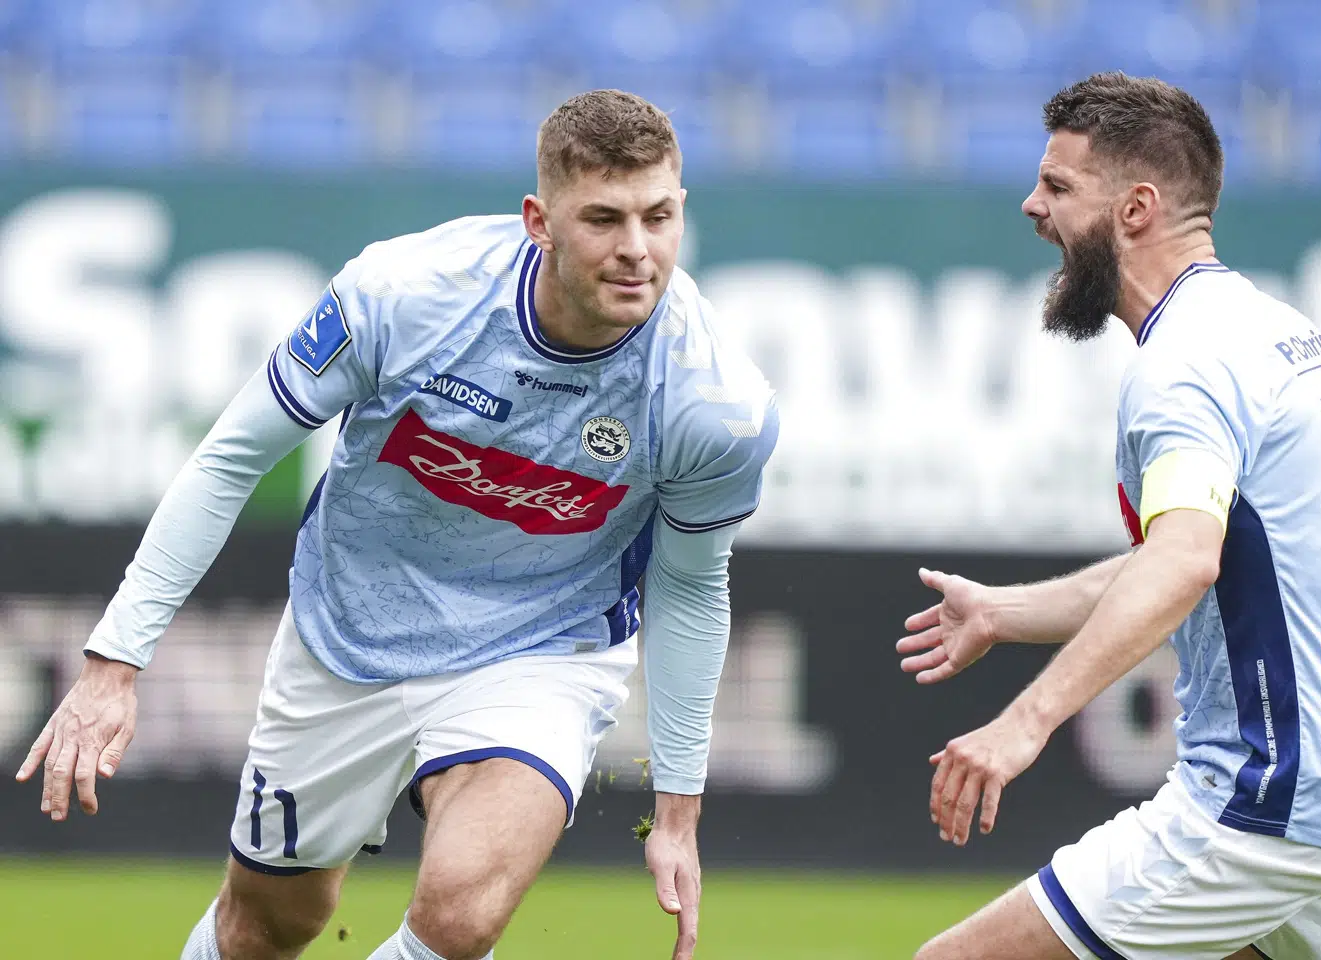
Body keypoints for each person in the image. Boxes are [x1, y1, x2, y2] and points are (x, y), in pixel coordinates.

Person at [16, 89, 779, 960]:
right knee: (267, 926)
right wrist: (115, 661)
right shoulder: (405, 294)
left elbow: (687, 587)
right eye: (603, 219)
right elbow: (230, 458)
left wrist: (677, 811)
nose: (636, 250)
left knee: (459, 917)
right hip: (348, 633)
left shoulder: (717, 404)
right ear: (539, 221)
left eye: (660, 216)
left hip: (541, 648)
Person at [895, 72, 1321, 960]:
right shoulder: (1268, 328)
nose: (1031, 206)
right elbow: (1213, 549)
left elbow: (1183, 562)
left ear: (1135, 208)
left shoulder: (1182, 364)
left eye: (1058, 186)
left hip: (1259, 794)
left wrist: (1023, 725)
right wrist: (1004, 612)